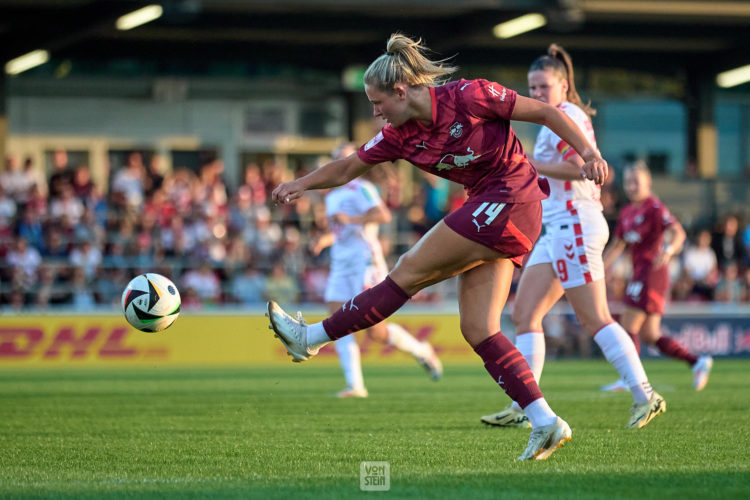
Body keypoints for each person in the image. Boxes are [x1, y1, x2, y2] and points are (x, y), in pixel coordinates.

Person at [266, 33, 610, 461]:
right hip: (491, 210)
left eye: (378, 103)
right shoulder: (398, 135)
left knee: (409, 269)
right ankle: (545, 422)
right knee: (479, 329)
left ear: (401, 90)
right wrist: (301, 184)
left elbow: (543, 111)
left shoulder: (470, 94)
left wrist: (589, 152)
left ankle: (311, 337)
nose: (375, 112)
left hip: (511, 199)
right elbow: (350, 165)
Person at [479, 45, 665, 431]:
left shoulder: (566, 115)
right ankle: (524, 405)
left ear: (563, 85)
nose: (538, 93)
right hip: (559, 227)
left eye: (544, 85)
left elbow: (579, 167)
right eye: (532, 87)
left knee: (594, 317)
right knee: (524, 314)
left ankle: (644, 394)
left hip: (575, 223)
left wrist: (526, 163)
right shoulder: (558, 116)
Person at [315, 142, 442, 398]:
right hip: (341, 263)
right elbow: (341, 232)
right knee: (335, 321)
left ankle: (421, 350)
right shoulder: (333, 195)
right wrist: (325, 240)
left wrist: (352, 220)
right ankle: (355, 385)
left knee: (374, 331)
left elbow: (383, 215)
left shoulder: (362, 188)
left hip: (365, 262)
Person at [599, 162, 712, 392]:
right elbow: (617, 246)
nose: (631, 186)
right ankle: (697, 361)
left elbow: (677, 232)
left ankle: (631, 379)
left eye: (636, 182)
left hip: (653, 273)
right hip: (639, 274)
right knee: (650, 335)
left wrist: (669, 250)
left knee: (629, 323)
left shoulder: (654, 207)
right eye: (628, 182)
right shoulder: (628, 212)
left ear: (648, 182)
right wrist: (599, 267)